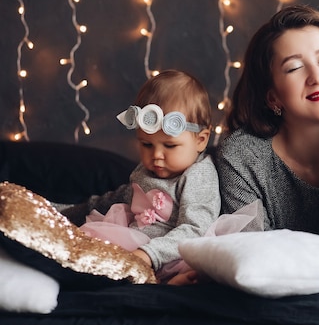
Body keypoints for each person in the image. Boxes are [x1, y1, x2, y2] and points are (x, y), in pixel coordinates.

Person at [215, 4, 319, 236]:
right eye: (294, 68)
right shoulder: (242, 157)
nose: (317, 77)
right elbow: (252, 256)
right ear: (272, 97)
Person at [60, 69, 220, 280]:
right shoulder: (144, 173)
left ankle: (174, 282)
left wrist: (148, 254)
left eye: (170, 146)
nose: (157, 156)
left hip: (174, 253)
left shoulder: (198, 175)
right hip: (135, 246)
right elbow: (113, 199)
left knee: (199, 269)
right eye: (146, 144)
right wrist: (63, 213)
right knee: (81, 247)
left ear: (201, 140)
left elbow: (194, 229)